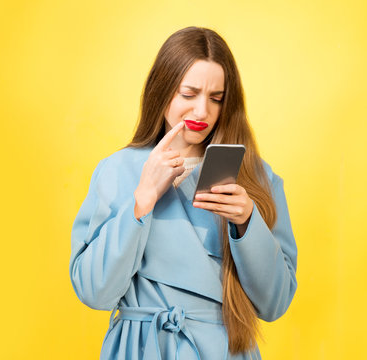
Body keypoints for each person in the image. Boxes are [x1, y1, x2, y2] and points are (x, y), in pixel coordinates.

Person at [69, 26, 297, 360]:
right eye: (188, 94)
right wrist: (142, 201)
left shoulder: (255, 178)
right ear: (162, 91)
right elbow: (94, 292)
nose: (202, 112)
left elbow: (275, 303)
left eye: (216, 98)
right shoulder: (117, 171)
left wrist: (248, 223)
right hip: (142, 348)